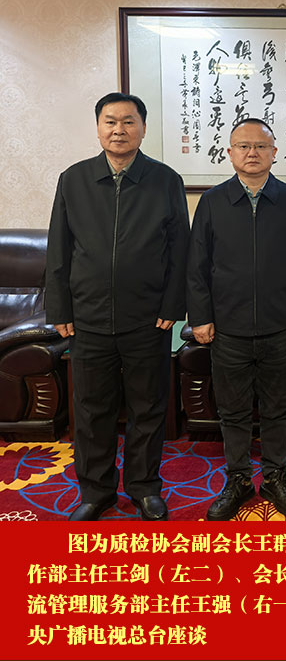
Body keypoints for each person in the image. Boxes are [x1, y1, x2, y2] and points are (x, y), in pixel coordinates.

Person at [46, 92, 190, 521]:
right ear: (98, 128)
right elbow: (59, 249)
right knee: (92, 410)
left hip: (148, 318)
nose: (119, 130)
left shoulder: (165, 180)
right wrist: (60, 309)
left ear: (143, 128)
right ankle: (96, 492)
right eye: (110, 121)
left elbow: (179, 249)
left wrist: (173, 305)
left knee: (148, 407)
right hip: (87, 318)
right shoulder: (74, 179)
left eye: (128, 122)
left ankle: (144, 487)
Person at [187, 117, 286, 521]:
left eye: (260, 146)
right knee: (233, 410)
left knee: (278, 407)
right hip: (227, 328)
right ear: (230, 153)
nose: (252, 153)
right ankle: (239, 478)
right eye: (243, 146)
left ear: (274, 153)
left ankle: (276, 475)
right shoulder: (213, 201)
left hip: (280, 327)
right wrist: (201, 317)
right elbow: (197, 266)